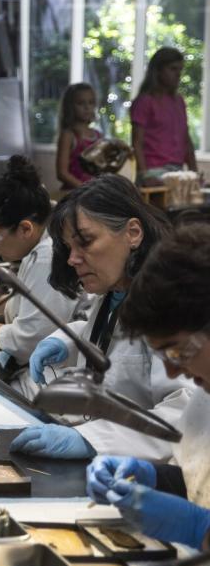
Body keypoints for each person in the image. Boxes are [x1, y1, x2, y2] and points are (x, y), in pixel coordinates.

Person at [9, 175, 194, 461]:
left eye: (86, 242)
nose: (72, 259)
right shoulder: (115, 291)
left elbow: (185, 413)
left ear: (133, 233)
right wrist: (66, 341)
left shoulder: (170, 307)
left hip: (147, 469)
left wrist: (91, 440)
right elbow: (110, 335)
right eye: (69, 247)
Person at [86, 224, 210, 549]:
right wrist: (156, 478)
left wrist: (201, 528)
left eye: (179, 351)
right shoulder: (205, 398)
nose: (171, 370)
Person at [0, 156, 84, 374]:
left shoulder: (48, 257)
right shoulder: (38, 248)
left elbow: (27, 342)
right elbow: (28, 309)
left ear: (25, 229)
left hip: (54, 374)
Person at [131, 47, 197, 187]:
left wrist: (194, 173)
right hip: (153, 172)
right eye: (173, 69)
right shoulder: (144, 101)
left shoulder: (179, 101)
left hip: (177, 172)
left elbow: (186, 140)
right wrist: (145, 175)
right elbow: (137, 142)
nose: (178, 74)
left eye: (180, 70)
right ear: (158, 70)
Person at [55, 83, 101, 190]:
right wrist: (84, 188)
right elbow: (62, 173)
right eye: (81, 103)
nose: (87, 107)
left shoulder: (98, 135)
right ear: (70, 106)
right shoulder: (68, 135)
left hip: (93, 194)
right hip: (73, 195)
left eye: (91, 102)